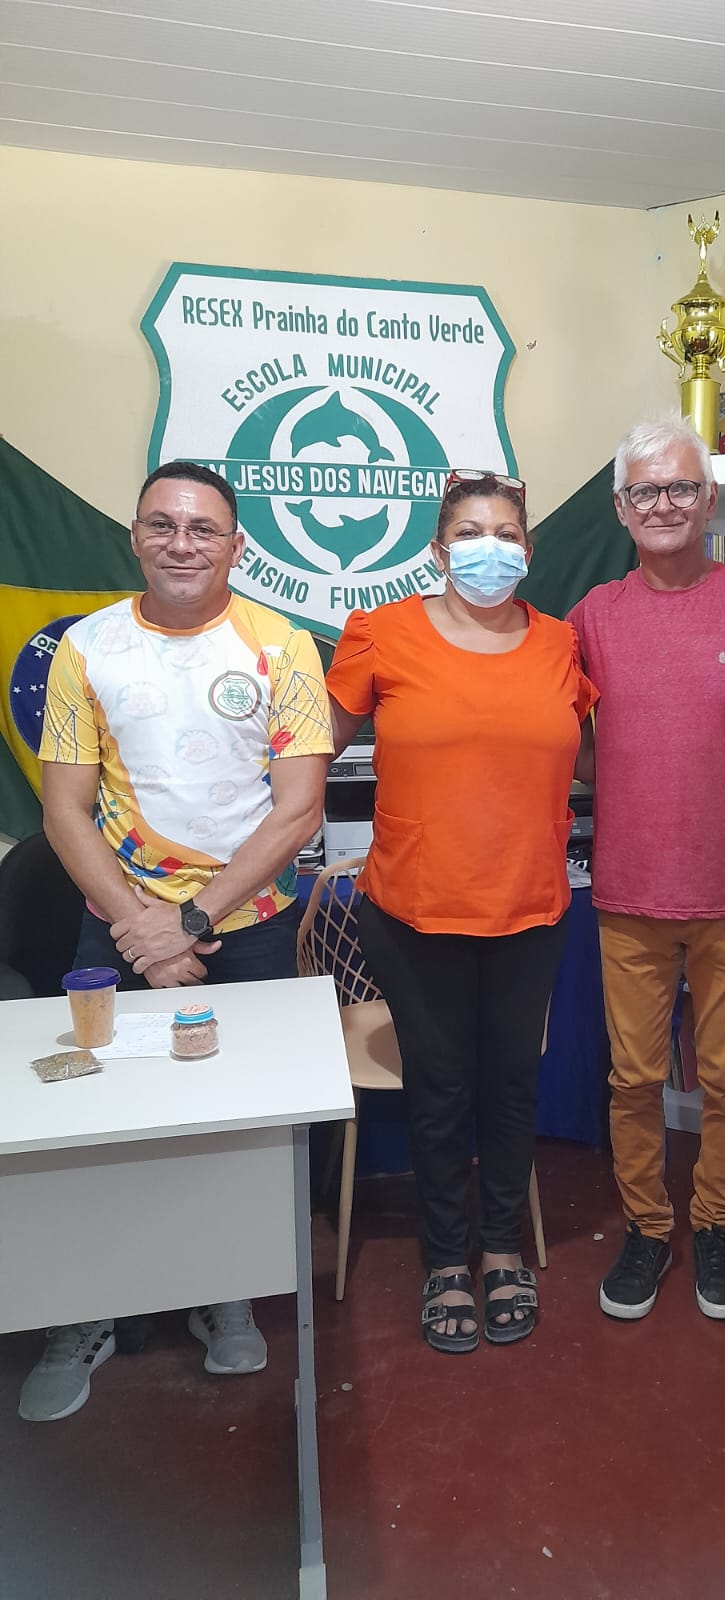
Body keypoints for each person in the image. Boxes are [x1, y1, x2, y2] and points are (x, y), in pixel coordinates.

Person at [22, 460, 332, 1423]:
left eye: (203, 528)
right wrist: (141, 929)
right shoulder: (87, 648)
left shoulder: (282, 646)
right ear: (135, 537)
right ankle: (85, 1312)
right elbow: (64, 809)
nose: (182, 543)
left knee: (236, 1121)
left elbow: (299, 810)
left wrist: (190, 923)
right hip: (115, 923)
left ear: (236, 546)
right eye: (163, 524)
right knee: (98, 1121)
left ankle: (223, 1289)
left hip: (249, 928)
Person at [324, 469, 596, 1353]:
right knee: (439, 1090)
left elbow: (596, 760)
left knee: (510, 1086)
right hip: (414, 910)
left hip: (529, 906)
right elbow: (309, 748)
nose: (490, 547)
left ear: (529, 549)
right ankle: (446, 1260)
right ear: (438, 552)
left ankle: (502, 1246)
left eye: (507, 533)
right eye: (470, 533)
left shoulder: (559, 644)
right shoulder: (380, 633)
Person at [569, 416, 725, 1323]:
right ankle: (646, 1227)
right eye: (645, 490)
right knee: (632, 1082)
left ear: (708, 500)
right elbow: (563, 731)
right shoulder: (592, 615)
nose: (663, 504)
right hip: (630, 890)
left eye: (680, 487)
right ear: (621, 508)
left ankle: (716, 1225)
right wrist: (628, 775)